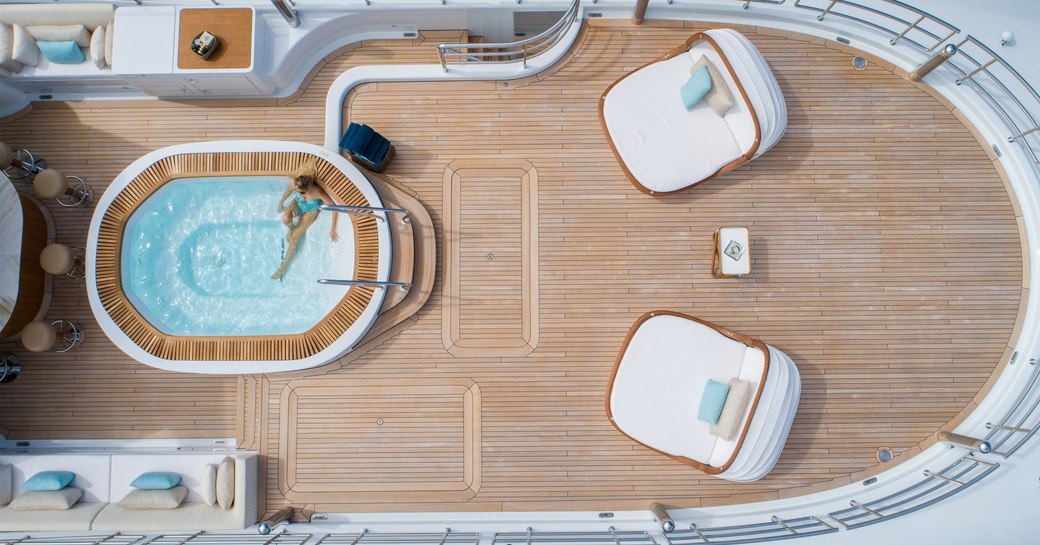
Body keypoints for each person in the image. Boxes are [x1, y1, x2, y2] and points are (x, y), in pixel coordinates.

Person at [271, 161, 339, 280]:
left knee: (294, 239)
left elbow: (334, 207)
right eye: (298, 192)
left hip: (310, 211)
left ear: (308, 187)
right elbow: (287, 192)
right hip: (297, 204)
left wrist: (333, 227)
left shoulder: (317, 192)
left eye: (303, 193)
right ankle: (292, 229)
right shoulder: (297, 184)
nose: (300, 194)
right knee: (285, 219)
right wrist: (281, 204)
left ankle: (282, 268)